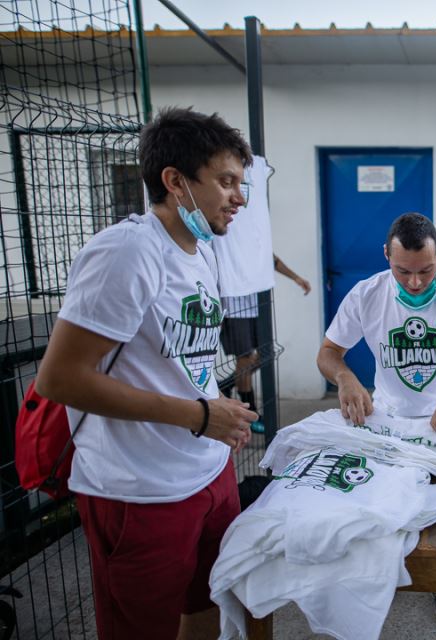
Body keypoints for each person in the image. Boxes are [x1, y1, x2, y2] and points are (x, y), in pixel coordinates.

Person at [35, 107, 259, 640]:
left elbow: (178, 364)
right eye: (226, 181)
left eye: (241, 183)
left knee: (210, 602)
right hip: (140, 491)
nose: (240, 198)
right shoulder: (128, 251)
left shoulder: (200, 251)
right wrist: (198, 414)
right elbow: (59, 378)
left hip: (206, 474)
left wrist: (216, 417)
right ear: (175, 181)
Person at [317, 212, 436, 628]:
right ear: (386, 256)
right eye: (403, 271)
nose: (415, 283)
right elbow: (329, 353)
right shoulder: (366, 294)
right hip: (389, 417)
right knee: (382, 499)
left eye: (425, 271)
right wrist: (345, 378)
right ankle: (382, 573)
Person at [220, 254, 311, 433]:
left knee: (266, 353)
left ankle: (228, 384)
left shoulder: (253, 238)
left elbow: (273, 260)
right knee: (244, 359)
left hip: (257, 305)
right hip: (234, 308)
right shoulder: (224, 239)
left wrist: (296, 278)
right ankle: (250, 411)